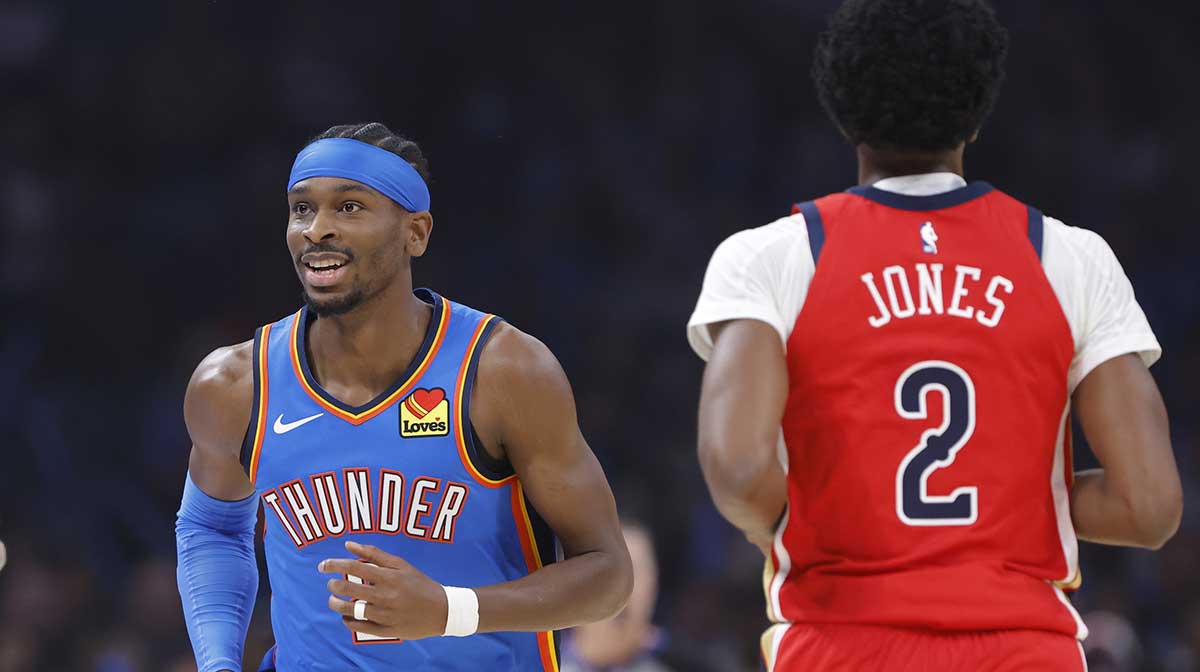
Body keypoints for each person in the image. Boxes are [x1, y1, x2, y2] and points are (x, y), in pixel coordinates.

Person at [686, 1, 1182, 670]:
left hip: (845, 646)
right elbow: (1148, 506)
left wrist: (832, 506)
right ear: (977, 114)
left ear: (842, 109)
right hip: (1024, 652)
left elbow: (739, 472)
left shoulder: (773, 256)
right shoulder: (1067, 257)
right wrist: (1011, 500)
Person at [176, 122, 632, 671]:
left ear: (415, 232)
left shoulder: (501, 371)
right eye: (302, 209)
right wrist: (219, 662)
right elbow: (213, 527)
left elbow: (608, 573)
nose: (317, 229)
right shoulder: (235, 384)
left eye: (349, 208)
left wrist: (449, 610)